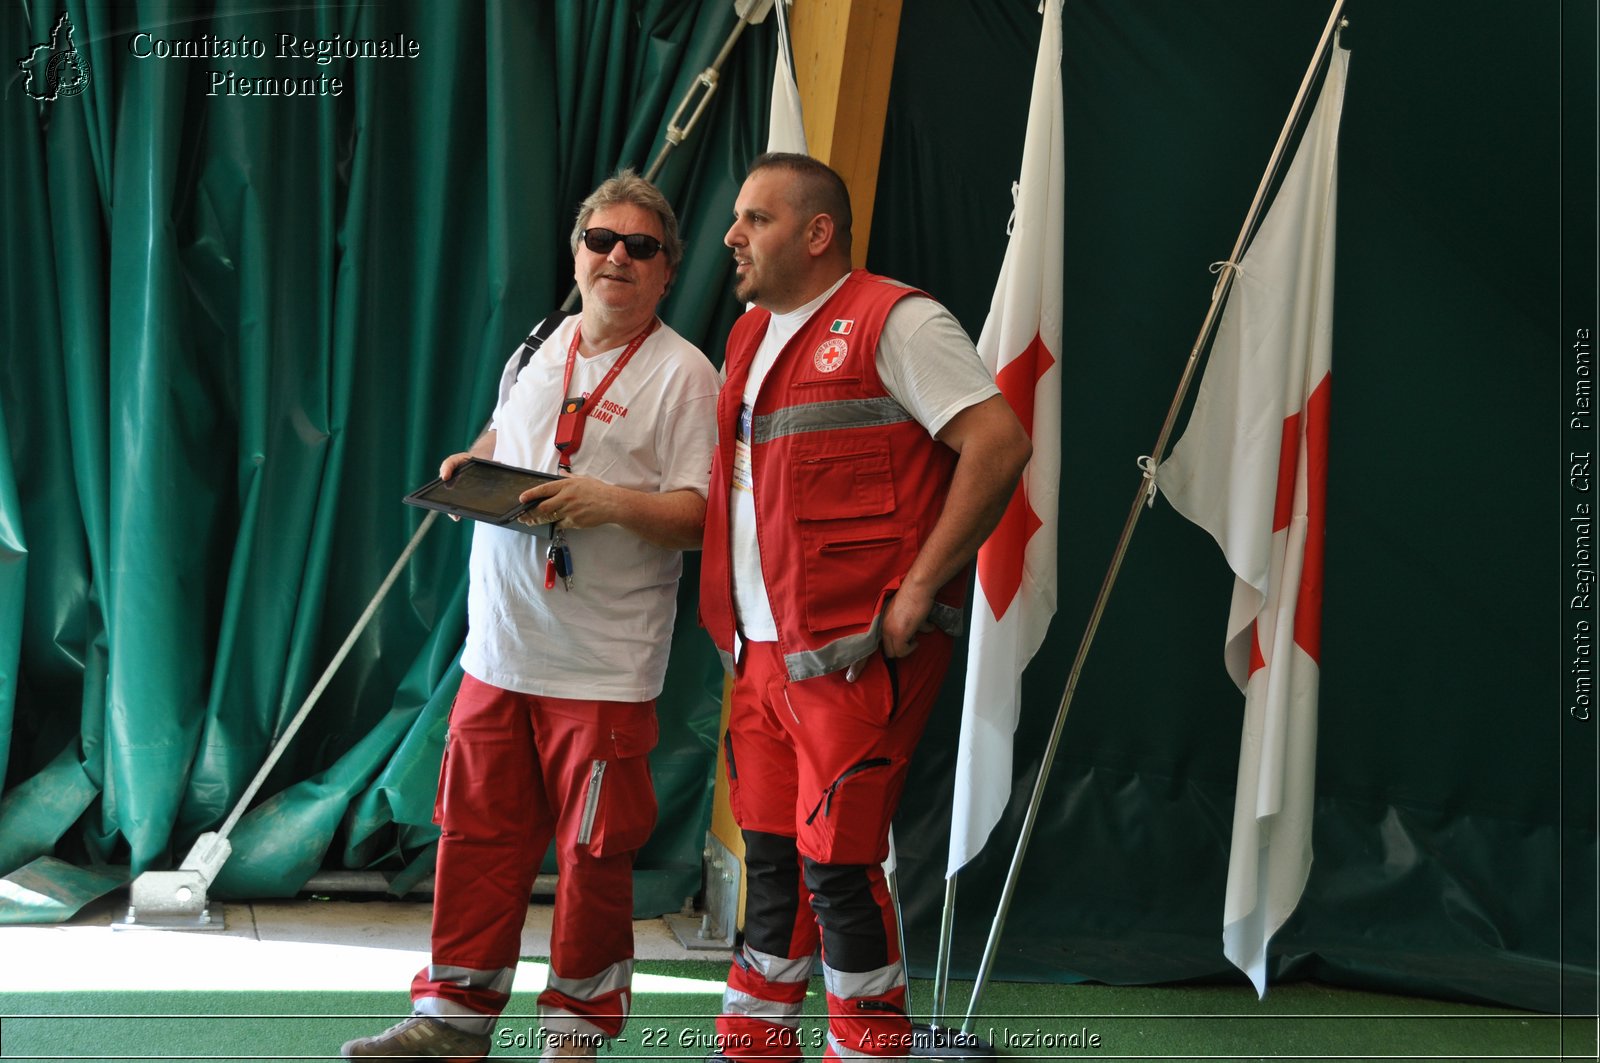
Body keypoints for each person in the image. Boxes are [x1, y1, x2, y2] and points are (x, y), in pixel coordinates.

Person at [343, 171, 720, 1061]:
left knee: (593, 858)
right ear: (577, 253)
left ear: (668, 270)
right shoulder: (539, 346)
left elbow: (703, 517)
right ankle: (454, 1018)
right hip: (499, 651)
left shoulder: (686, 374)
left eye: (641, 246)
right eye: (601, 241)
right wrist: (467, 463)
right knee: (474, 836)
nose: (616, 257)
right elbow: (501, 441)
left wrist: (612, 502)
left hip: (603, 665)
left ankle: (575, 1036)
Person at [700, 153, 1033, 1061]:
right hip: (760, 653)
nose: (732, 236)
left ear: (818, 232)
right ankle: (753, 1046)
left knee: (839, 868)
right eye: (737, 217)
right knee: (771, 862)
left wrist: (921, 588)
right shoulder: (747, 337)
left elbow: (997, 446)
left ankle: (869, 1049)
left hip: (854, 656)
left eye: (756, 219)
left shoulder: (901, 320)